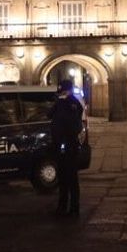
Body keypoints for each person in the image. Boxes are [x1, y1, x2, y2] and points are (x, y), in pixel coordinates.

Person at [51, 79, 85, 216]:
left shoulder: (70, 103)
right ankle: (65, 206)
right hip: (64, 144)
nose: (61, 93)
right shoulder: (64, 103)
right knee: (65, 178)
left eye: (63, 90)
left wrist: (61, 102)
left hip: (68, 145)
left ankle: (71, 207)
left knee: (69, 178)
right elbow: (50, 114)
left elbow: (72, 122)